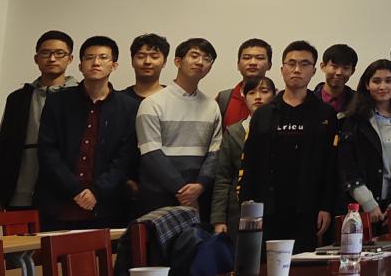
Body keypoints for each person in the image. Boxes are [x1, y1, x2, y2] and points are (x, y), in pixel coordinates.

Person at [239, 40, 341, 252]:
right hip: (268, 208)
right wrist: (248, 208)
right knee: (267, 264)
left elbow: (330, 166)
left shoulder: (325, 114)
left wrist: (326, 207)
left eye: (304, 64)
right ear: (281, 69)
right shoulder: (264, 114)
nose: (297, 69)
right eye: (291, 63)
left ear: (314, 71)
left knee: (304, 263)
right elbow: (250, 163)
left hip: (308, 209)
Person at [36, 35, 138, 230]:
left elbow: (124, 158)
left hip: (107, 206)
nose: (96, 62)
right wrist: (75, 189)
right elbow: (47, 150)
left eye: (103, 57)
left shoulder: (128, 107)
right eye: (89, 57)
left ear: (114, 65)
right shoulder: (58, 101)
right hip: (59, 201)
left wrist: (97, 191)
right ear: (80, 65)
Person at [0, 30, 78, 214]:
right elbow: (4, 145)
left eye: (59, 53)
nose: (52, 58)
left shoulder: (80, 96)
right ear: (36, 59)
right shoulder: (18, 98)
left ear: (70, 59)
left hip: (67, 193)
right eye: (46, 53)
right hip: (21, 191)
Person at [136, 37, 222, 216]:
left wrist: (201, 185)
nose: (200, 62)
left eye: (207, 59)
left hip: (199, 194)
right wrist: (184, 192)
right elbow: (151, 153)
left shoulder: (212, 106)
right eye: (194, 55)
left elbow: (215, 152)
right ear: (177, 61)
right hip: (158, 196)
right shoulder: (152, 103)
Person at [340, 60, 391, 230]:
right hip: (361, 207)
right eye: (376, 81)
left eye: (388, 81)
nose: (383, 86)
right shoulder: (354, 119)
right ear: (367, 84)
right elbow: (347, 166)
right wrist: (368, 203)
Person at [211, 75, 276, 236]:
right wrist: (219, 219)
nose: (258, 97)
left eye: (264, 91)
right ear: (244, 97)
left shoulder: (281, 129)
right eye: (251, 93)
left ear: (274, 95)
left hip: (275, 206)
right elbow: (223, 177)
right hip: (238, 207)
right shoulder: (233, 131)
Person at [217, 38, 271, 128]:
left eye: (259, 58)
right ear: (238, 65)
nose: (253, 62)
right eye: (247, 58)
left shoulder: (279, 98)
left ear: (269, 65)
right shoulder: (224, 98)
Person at [314, 43, 358, 116]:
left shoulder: (359, 103)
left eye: (345, 68)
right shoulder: (308, 99)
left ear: (352, 71)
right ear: (323, 66)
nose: (339, 72)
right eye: (334, 66)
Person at [125, 33, 168, 101]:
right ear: (132, 60)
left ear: (164, 62)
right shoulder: (119, 99)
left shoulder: (173, 98)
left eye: (154, 57)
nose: (147, 61)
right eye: (141, 56)